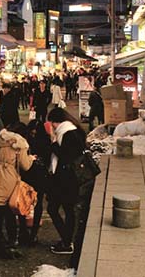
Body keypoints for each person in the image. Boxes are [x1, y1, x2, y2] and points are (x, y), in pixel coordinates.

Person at [0, 128, 34, 259]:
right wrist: (31, 158)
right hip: (9, 181)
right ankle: (11, 243)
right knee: (10, 213)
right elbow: (25, 166)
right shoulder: (19, 145)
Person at [46, 108, 88, 255]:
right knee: (62, 209)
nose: (52, 127)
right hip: (64, 180)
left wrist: (53, 142)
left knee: (62, 210)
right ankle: (66, 240)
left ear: (58, 122)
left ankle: (67, 242)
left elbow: (65, 157)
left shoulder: (70, 134)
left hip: (68, 180)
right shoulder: (67, 132)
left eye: (53, 123)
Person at [17, 120, 52, 246]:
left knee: (32, 203)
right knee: (25, 202)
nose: (34, 133)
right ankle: (25, 231)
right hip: (33, 175)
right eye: (32, 131)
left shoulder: (30, 140)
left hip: (34, 175)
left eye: (35, 131)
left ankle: (31, 232)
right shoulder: (41, 140)